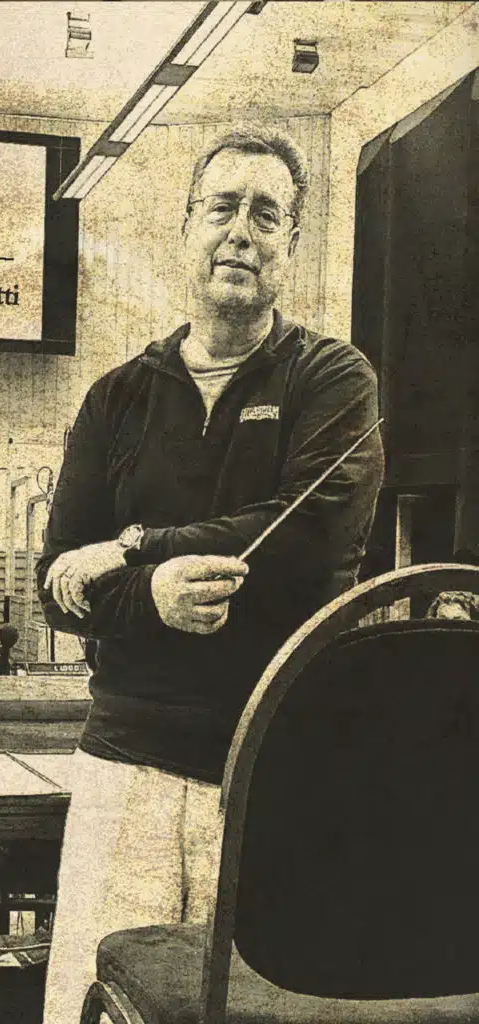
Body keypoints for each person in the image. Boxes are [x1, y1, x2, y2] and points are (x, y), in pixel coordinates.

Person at [35, 127, 384, 1024]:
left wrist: (134, 546)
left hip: (274, 776)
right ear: (187, 226)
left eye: (266, 214)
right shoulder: (116, 396)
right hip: (127, 774)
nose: (241, 231)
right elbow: (56, 582)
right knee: (99, 1008)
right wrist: (152, 595)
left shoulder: (333, 379)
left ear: (292, 242)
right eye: (222, 207)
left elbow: (307, 540)